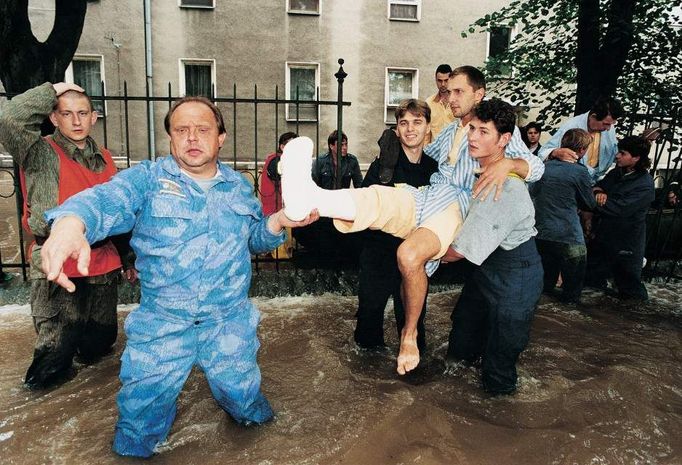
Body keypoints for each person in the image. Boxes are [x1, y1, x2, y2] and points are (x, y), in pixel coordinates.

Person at [38, 96, 317, 458]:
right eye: (181, 130)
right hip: (162, 327)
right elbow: (103, 200)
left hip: (228, 324)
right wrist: (70, 224)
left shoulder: (236, 186)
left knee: (248, 410)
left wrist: (277, 222)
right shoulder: (147, 180)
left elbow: (251, 240)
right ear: (170, 138)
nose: (192, 138)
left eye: (203, 129)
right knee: (137, 431)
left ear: (221, 138)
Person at [279, 66, 544, 376]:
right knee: (377, 198)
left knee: (409, 255)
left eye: (458, 91)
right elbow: (423, 146)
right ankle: (311, 199)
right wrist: (401, 142)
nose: (449, 97)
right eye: (447, 91)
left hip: (457, 206)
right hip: (428, 197)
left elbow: (537, 167)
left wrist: (511, 164)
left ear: (479, 93)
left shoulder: (491, 129)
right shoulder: (451, 131)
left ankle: (410, 336)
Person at [0, 82, 136, 389]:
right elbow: (8, 119)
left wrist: (128, 257)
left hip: (101, 263)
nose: (76, 121)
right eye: (67, 113)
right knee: (54, 356)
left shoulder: (104, 156)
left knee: (100, 346)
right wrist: (54, 88)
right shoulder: (37, 150)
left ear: (93, 117)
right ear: (53, 117)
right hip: (57, 265)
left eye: (83, 113)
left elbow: (118, 211)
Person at [442, 99, 543, 395]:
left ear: (504, 140)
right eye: (472, 128)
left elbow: (457, 253)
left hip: (515, 278)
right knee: (462, 335)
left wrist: (418, 252)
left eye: (483, 131)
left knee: (499, 365)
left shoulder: (503, 188)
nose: (472, 137)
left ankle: (498, 426)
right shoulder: (485, 171)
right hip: (486, 268)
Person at [354, 99, 438, 352]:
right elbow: (364, 205)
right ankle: (366, 378)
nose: (410, 129)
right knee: (369, 320)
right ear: (397, 130)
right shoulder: (383, 168)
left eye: (417, 122)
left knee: (414, 319)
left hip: (414, 259)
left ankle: (413, 374)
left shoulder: (435, 170)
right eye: (404, 123)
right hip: (378, 254)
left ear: (427, 128)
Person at [530, 129, 596, 303]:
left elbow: (533, 193)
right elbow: (589, 203)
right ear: (582, 150)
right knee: (572, 293)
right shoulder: (580, 172)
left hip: (541, 233)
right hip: (568, 235)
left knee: (544, 288)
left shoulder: (542, 167)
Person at [585, 135, 655, 300]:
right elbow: (600, 186)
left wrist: (590, 201)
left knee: (630, 289)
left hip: (626, 245)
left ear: (636, 158)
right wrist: (598, 192)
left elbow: (618, 209)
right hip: (605, 239)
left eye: (622, 153)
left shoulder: (644, 184)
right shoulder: (617, 173)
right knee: (591, 281)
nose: (617, 156)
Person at [539, 96, 624, 183]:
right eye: (605, 124)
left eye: (611, 124)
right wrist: (555, 152)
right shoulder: (570, 126)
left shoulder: (609, 126)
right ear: (593, 116)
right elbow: (543, 152)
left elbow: (614, 153)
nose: (608, 128)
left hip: (597, 181)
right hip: (571, 180)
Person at [260, 131, 298, 216]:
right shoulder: (277, 161)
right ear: (282, 147)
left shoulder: (281, 160)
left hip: (280, 210)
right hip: (274, 212)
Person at [425, 64, 455, 143]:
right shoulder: (429, 103)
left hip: (455, 151)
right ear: (435, 80)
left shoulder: (458, 101)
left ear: (451, 79)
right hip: (434, 152)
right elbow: (427, 132)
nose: (443, 84)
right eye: (440, 81)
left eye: (446, 80)